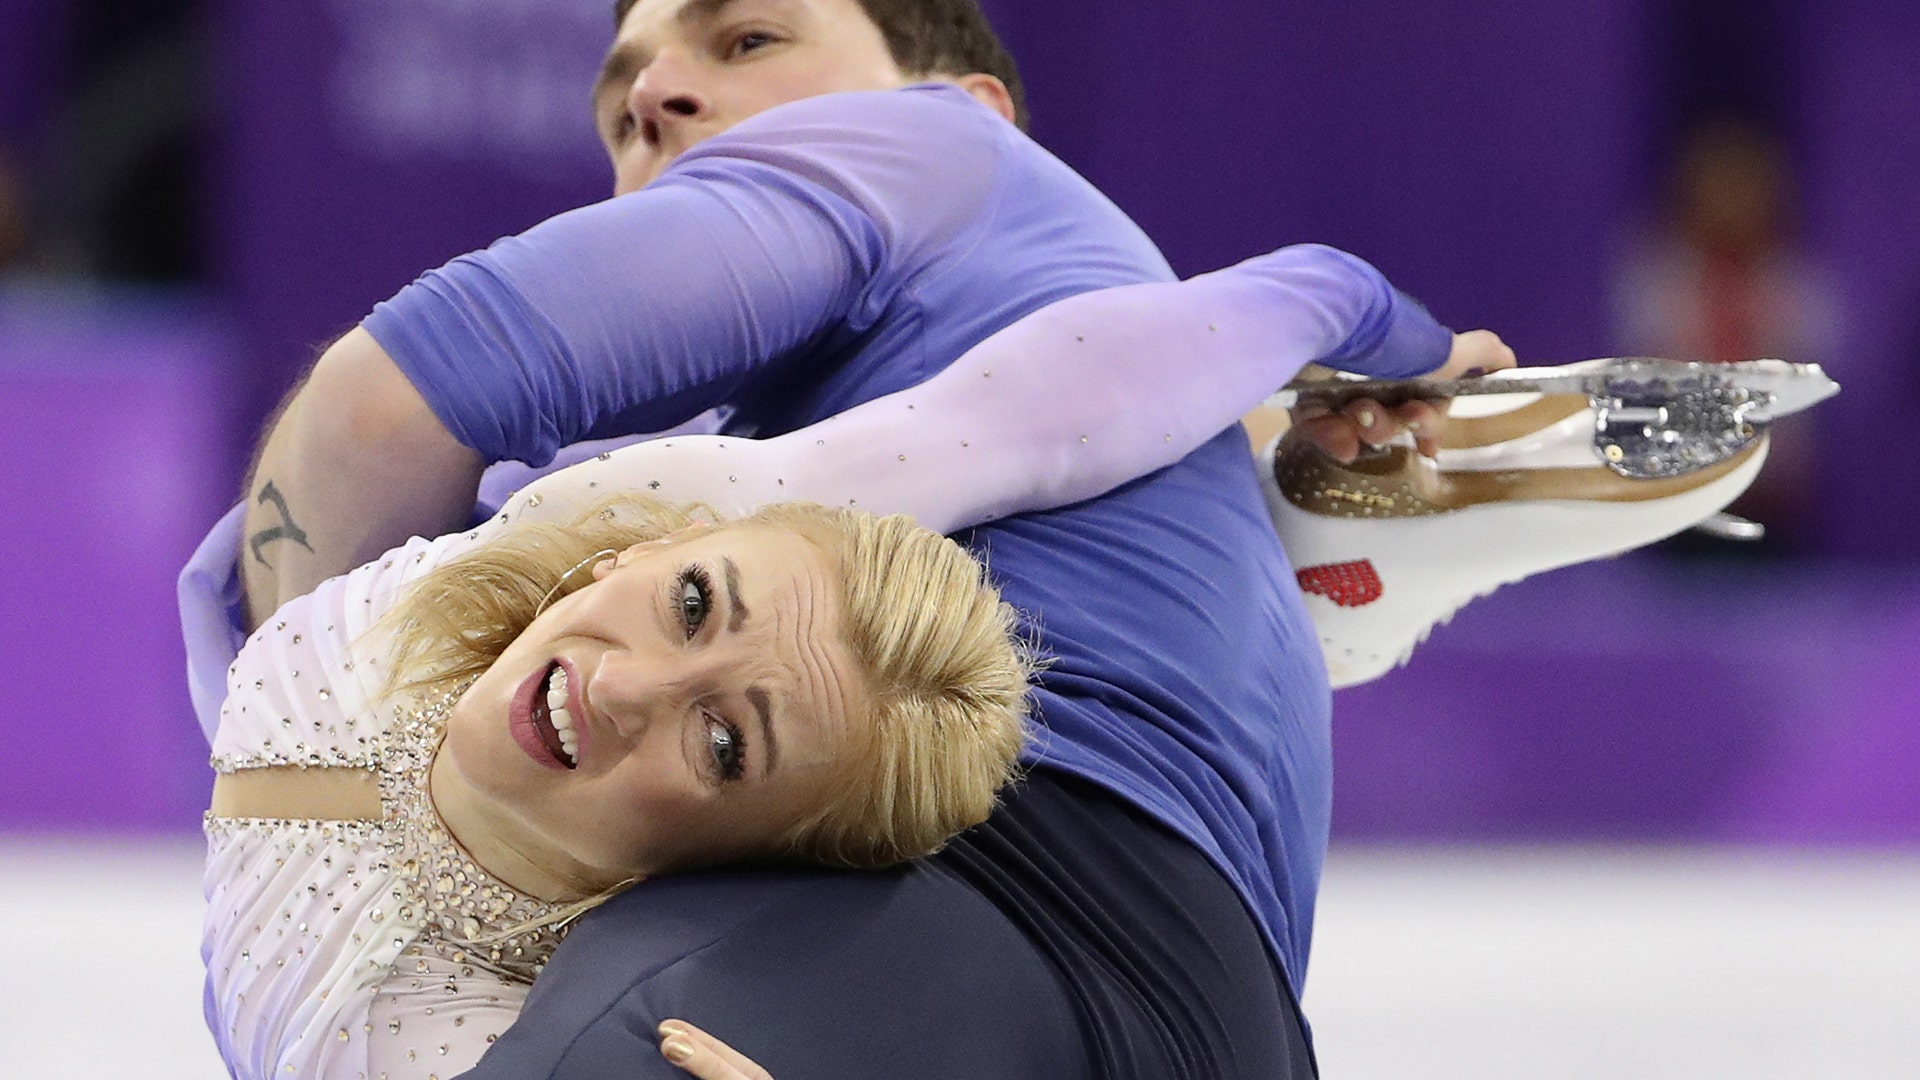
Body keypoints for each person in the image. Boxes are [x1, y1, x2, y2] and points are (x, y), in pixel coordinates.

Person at [183, 0, 1505, 1074]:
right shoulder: (667, 490)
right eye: (620, 94)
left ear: (963, 102)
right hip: (1164, 969)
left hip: (1032, 871)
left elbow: (375, 415)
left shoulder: (935, 160)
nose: (654, 93)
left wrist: (1352, 305)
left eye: (744, 38)